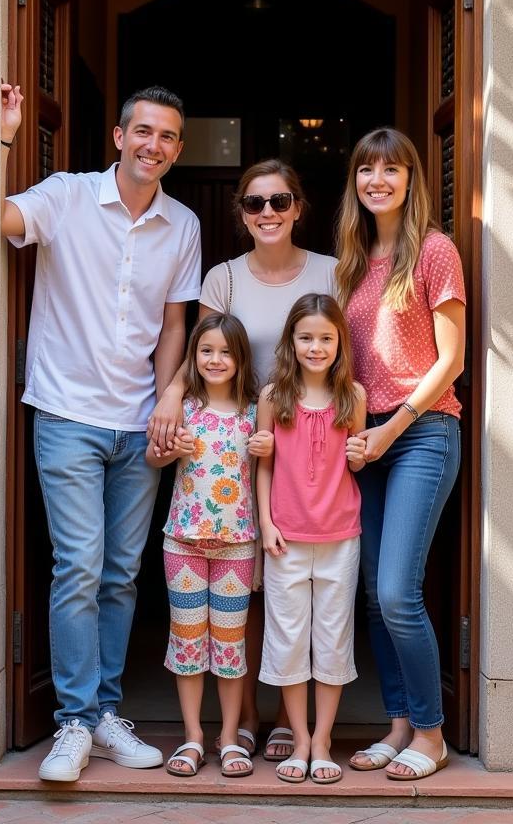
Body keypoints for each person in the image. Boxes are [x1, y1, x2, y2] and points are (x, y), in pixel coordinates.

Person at [0, 82, 201, 782]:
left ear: (178, 148)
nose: (155, 145)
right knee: (78, 567)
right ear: (119, 137)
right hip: (67, 414)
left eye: (169, 136)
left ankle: (107, 716)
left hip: (139, 421)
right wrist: (0, 139)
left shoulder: (184, 225)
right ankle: (74, 723)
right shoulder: (67, 194)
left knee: (119, 575)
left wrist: (167, 400)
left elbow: (175, 324)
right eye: (144, 131)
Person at [148, 158, 337, 763]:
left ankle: (289, 718)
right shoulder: (224, 277)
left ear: (298, 207)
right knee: (248, 602)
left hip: (296, 448)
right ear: (242, 213)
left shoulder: (332, 273)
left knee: (278, 592)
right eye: (255, 204)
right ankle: (243, 721)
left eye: (279, 201)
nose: (268, 214)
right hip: (234, 443)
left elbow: (348, 353)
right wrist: (173, 398)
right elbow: (202, 349)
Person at [336, 128, 465, 781]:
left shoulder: (434, 252)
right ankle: (397, 725)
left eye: (391, 169)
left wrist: (392, 428)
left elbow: (451, 360)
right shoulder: (352, 262)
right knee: (370, 592)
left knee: (396, 591)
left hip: (422, 432)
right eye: (367, 170)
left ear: (412, 178)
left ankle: (432, 733)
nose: (378, 180)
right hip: (368, 437)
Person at [255, 293, 367, 784]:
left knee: (332, 640)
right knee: (287, 640)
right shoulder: (273, 396)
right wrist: (266, 524)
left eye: (325, 338)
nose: (316, 347)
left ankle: (323, 740)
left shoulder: (353, 398)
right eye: (306, 338)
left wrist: (361, 453)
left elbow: (355, 461)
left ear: (340, 341)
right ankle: (299, 739)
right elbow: (263, 468)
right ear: (291, 341)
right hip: (286, 538)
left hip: (340, 535)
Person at [147, 312, 259, 779]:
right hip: (184, 543)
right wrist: (170, 450)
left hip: (237, 545)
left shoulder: (255, 410)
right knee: (188, 641)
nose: (216, 359)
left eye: (226, 352)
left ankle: (229, 737)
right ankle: (193, 736)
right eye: (207, 350)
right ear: (193, 355)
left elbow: (272, 468)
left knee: (230, 646)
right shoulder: (183, 406)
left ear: (240, 359)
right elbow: (152, 458)